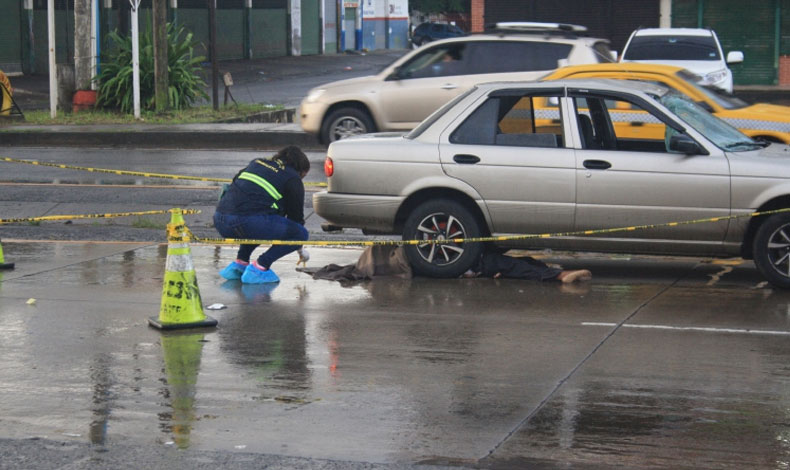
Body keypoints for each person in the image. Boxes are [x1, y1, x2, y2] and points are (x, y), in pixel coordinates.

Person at [213, 146, 310, 284]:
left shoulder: (257, 163)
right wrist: (300, 248)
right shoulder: (292, 178)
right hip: (247, 222)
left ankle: (241, 263)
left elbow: (236, 185)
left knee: (263, 217)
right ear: (300, 170)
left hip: (220, 219)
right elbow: (296, 220)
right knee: (299, 233)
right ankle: (260, 267)